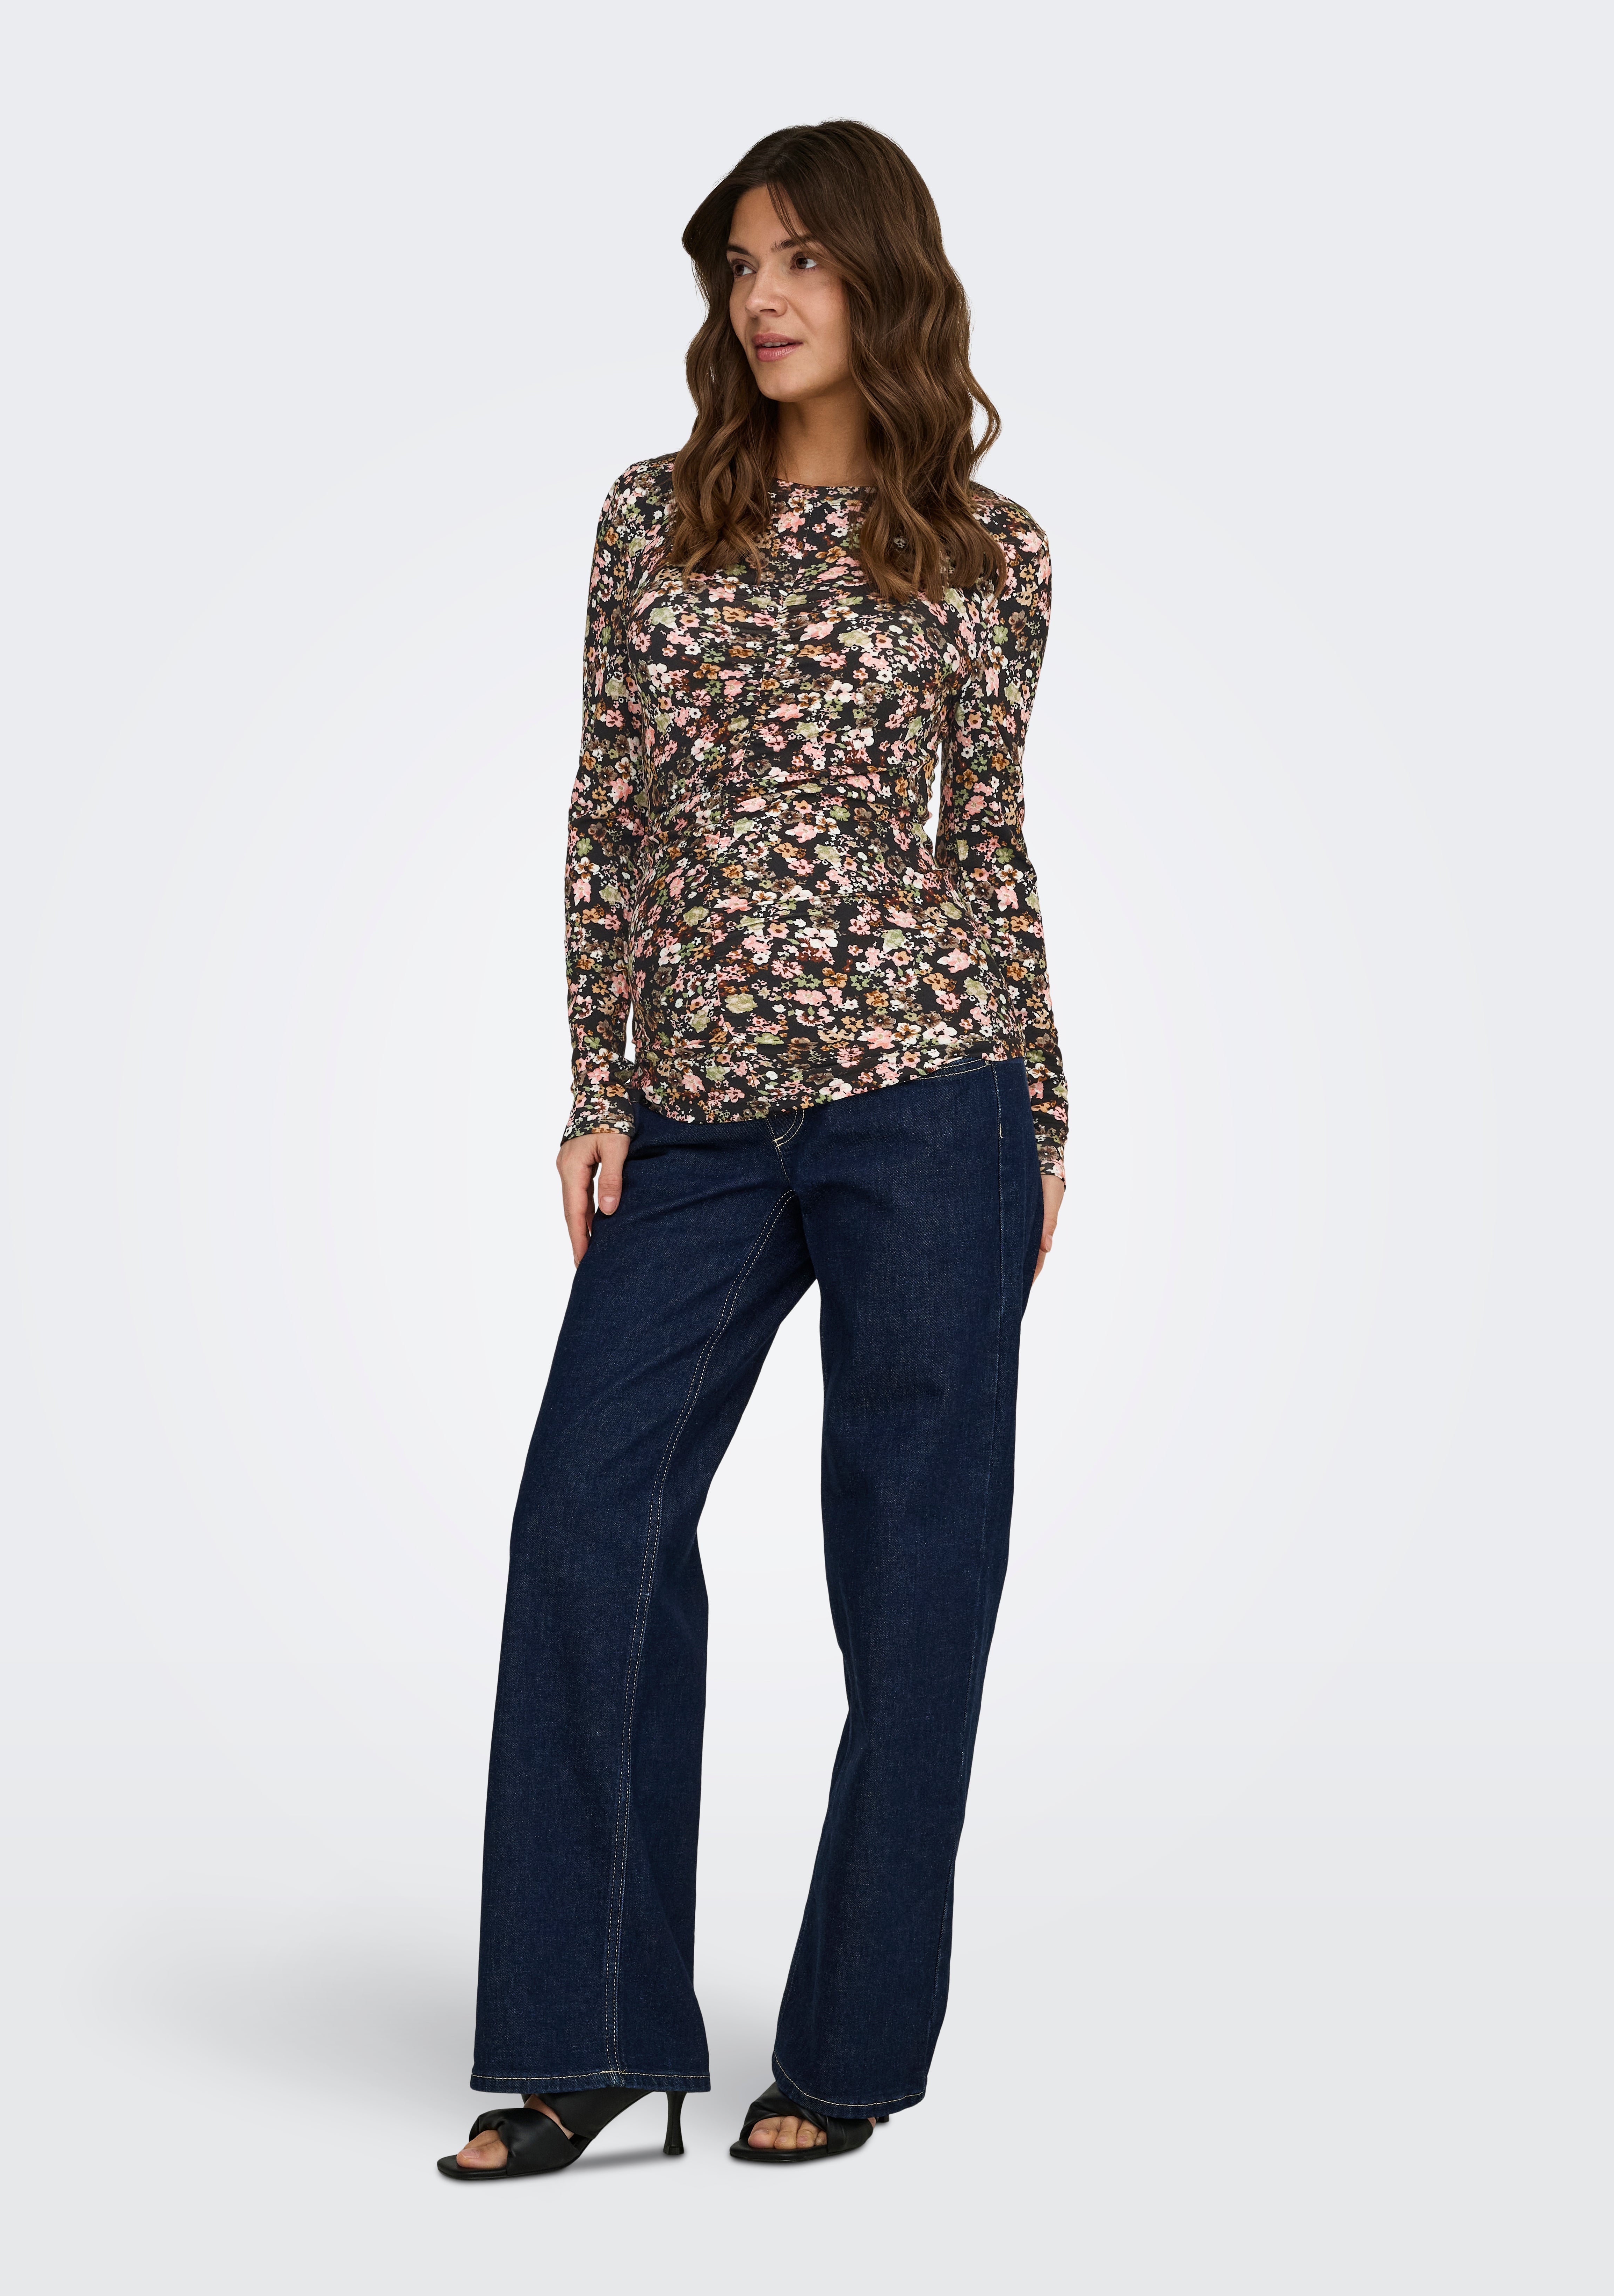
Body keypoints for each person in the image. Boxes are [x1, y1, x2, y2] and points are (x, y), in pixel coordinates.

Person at [440, 118, 1067, 2181]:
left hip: (932, 1098)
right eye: (739, 264)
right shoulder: (657, 518)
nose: (766, 296)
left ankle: (853, 2046)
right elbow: (609, 814)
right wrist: (594, 1084)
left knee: (916, 1576)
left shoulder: (989, 551)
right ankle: (595, 2030)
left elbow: (989, 850)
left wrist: (1044, 1111)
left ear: (886, 277)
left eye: (803, 257)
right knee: (587, 1518)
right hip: (699, 1114)